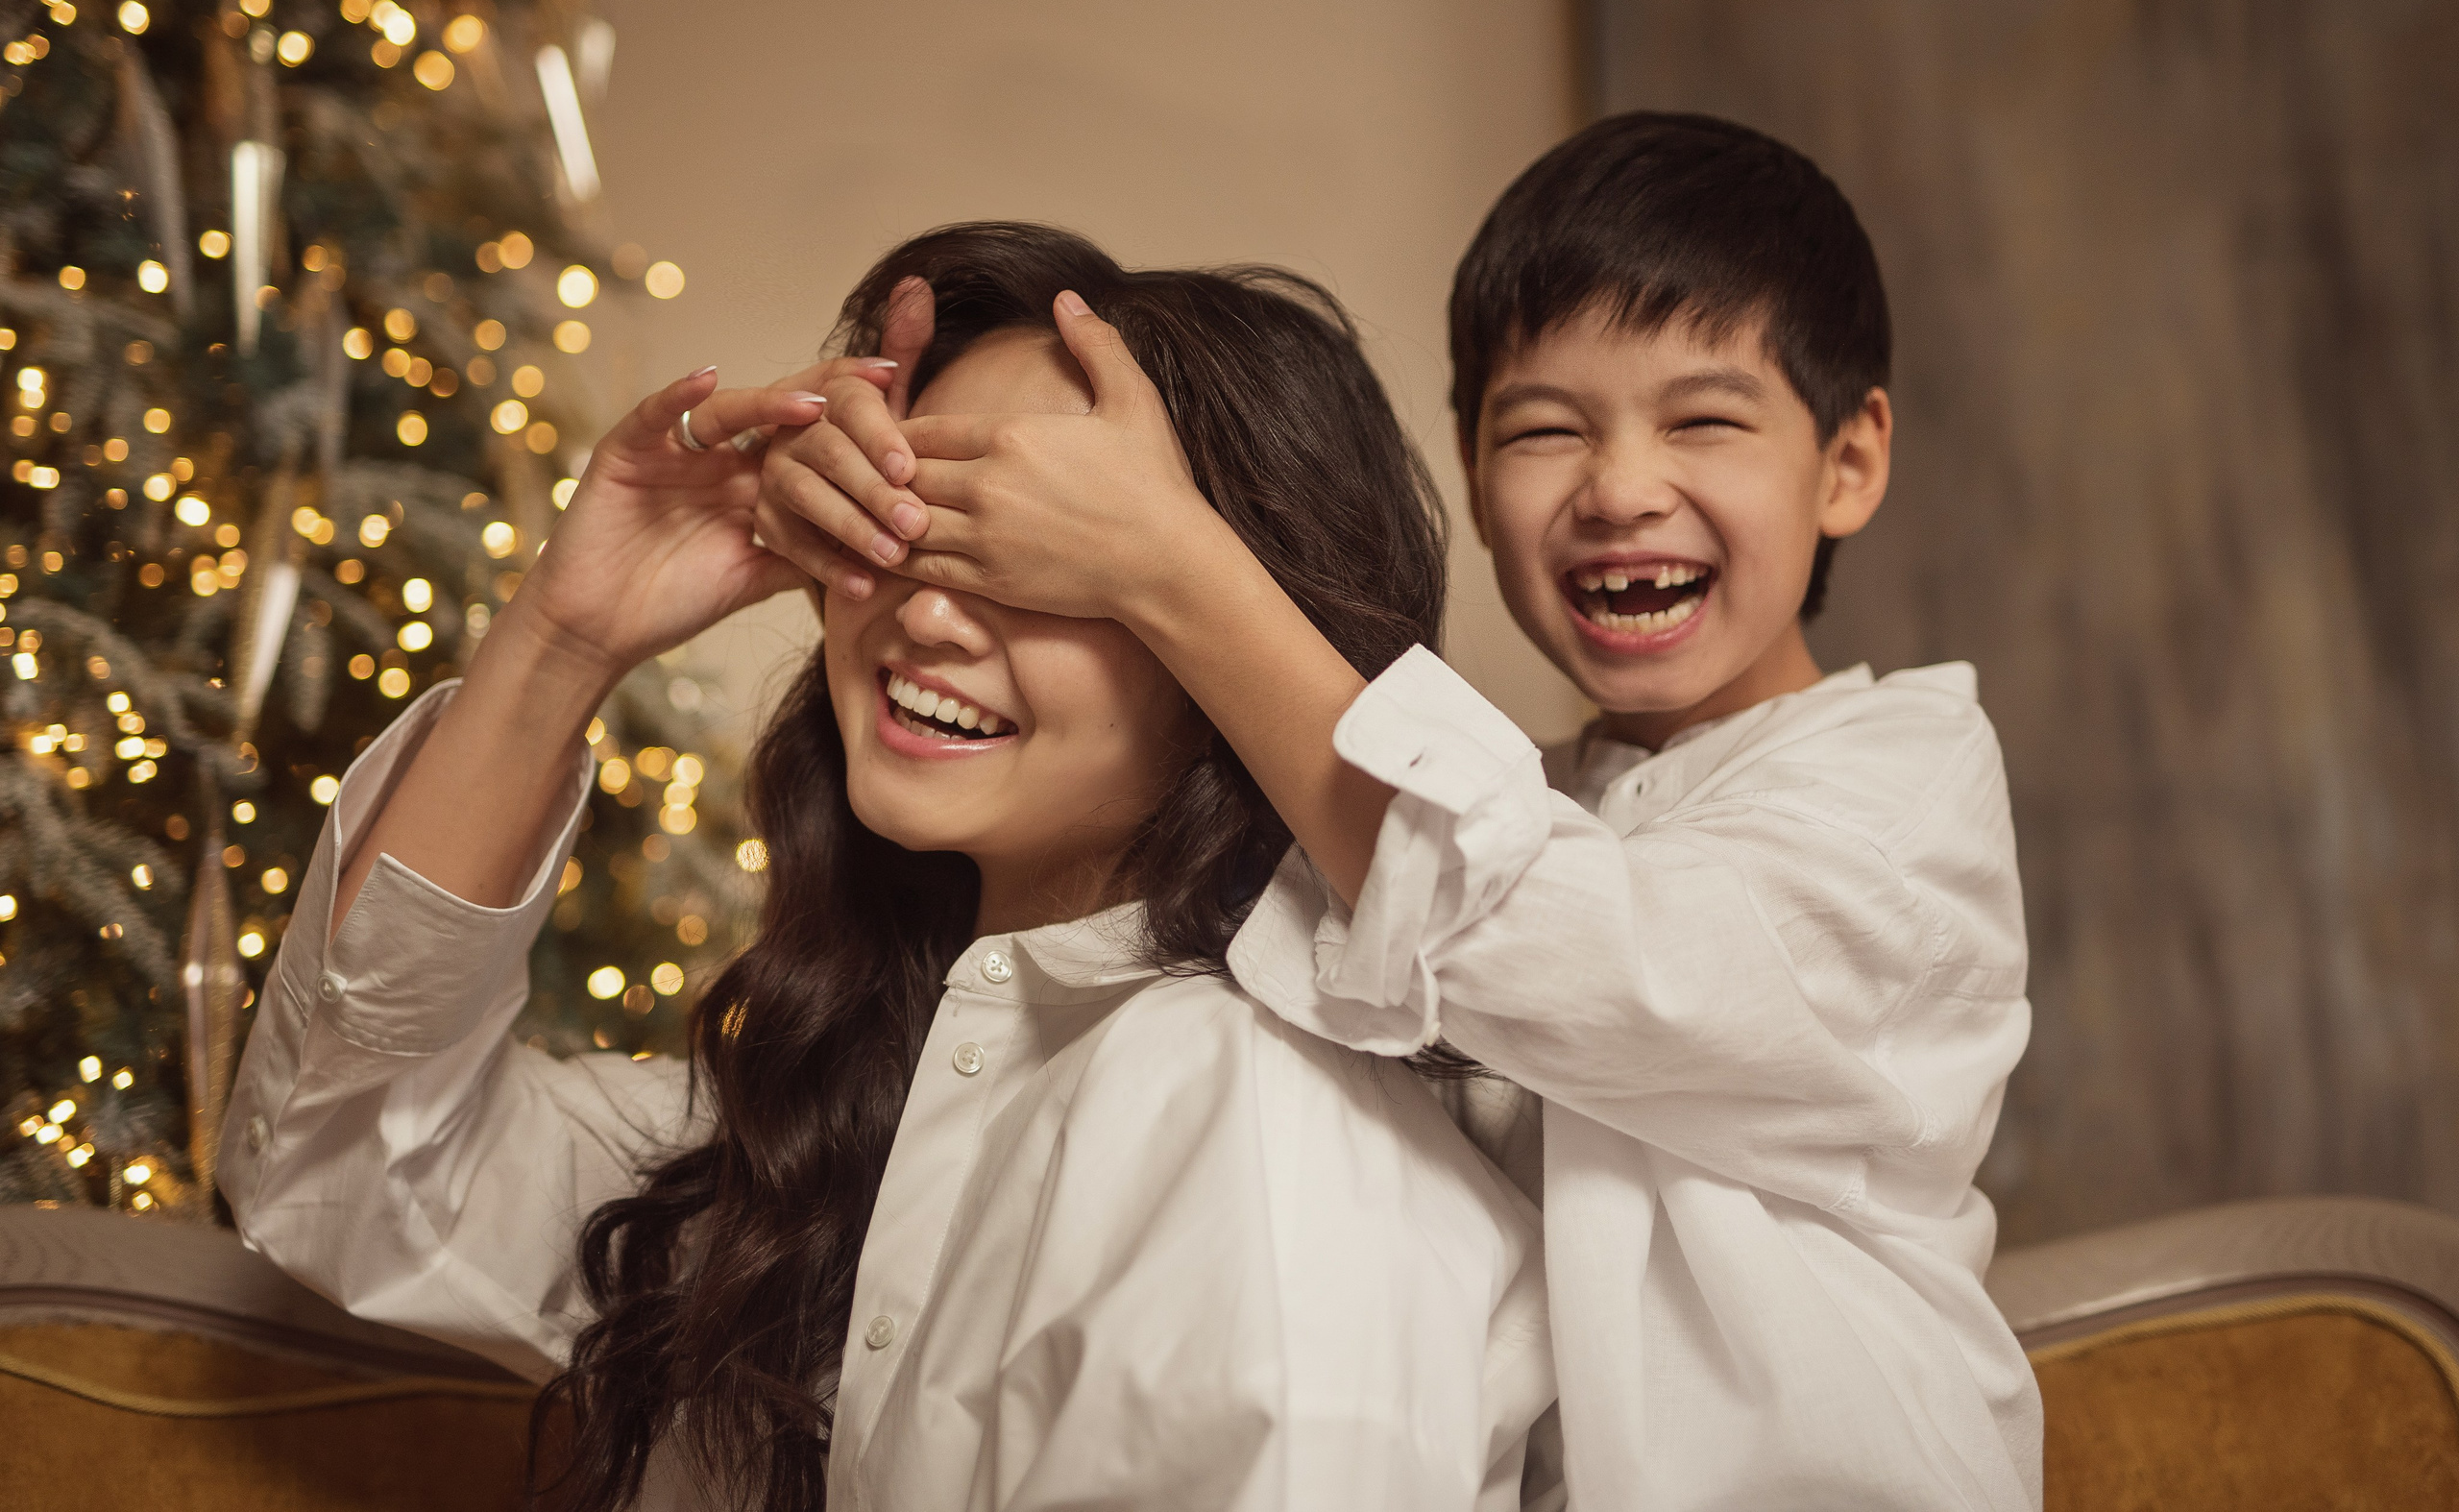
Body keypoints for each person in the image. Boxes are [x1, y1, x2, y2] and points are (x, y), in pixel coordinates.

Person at [767, 113, 2041, 1507]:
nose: (1619, 488)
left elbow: (1579, 954)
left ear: (1849, 462)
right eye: (1546, 431)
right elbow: (1212, 910)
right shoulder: (1515, 800)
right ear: (1476, 485)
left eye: (1704, 421)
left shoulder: (1901, 784)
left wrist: (1168, 565)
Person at [219, 223, 1554, 1512]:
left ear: (1229, 630)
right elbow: (345, 1179)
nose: (926, 609)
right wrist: (569, 632)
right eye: (908, 518)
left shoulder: (1247, 1115)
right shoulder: (851, 1095)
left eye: (1039, 558)